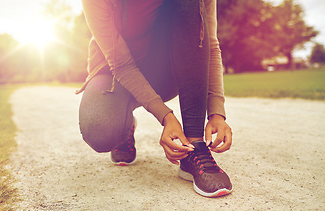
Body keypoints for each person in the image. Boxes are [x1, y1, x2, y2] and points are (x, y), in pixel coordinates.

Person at [77, 0, 233, 197]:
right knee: (100, 130)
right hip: (113, 74)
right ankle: (124, 122)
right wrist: (166, 117)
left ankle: (194, 147)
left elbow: (208, 43)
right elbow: (121, 64)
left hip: (164, 71)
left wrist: (217, 113)